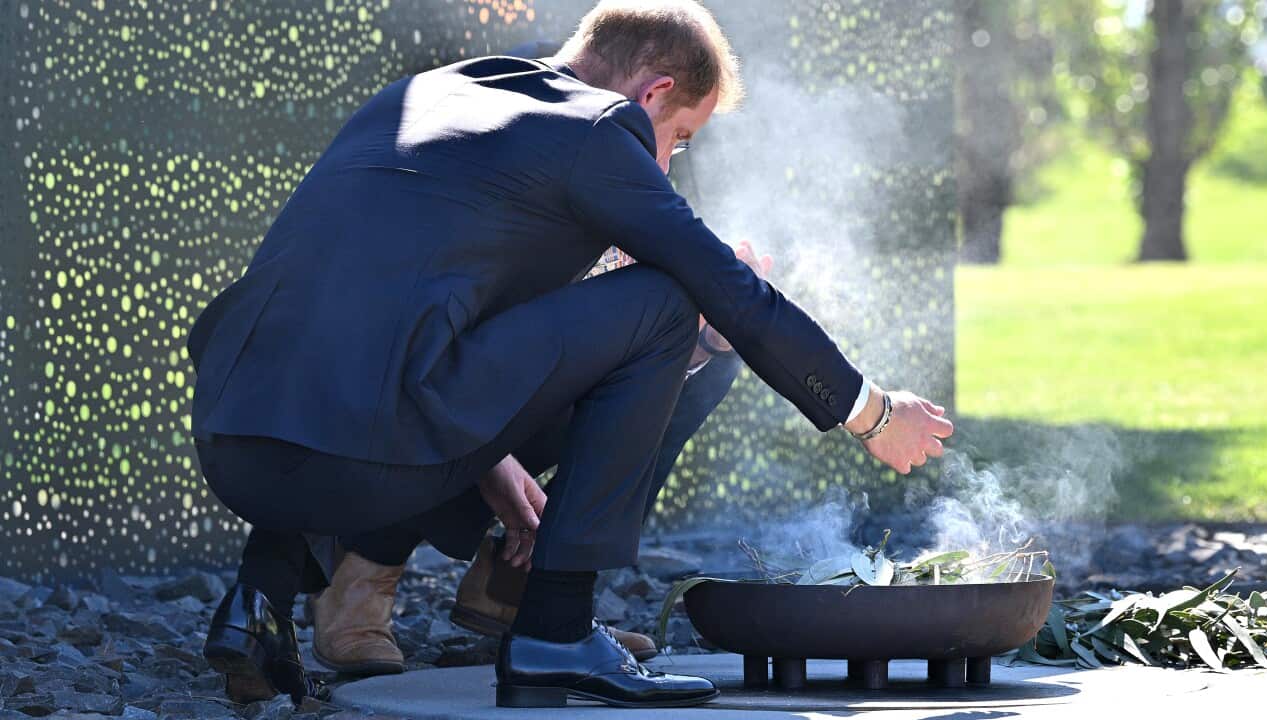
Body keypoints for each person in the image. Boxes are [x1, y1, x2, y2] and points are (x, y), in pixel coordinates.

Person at [189, 0, 953, 709]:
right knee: (672, 301)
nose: (667, 163)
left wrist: (492, 453)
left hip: (233, 442)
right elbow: (727, 288)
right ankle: (555, 627)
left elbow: (379, 303)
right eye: (681, 138)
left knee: (337, 339)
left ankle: (257, 604)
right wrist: (873, 412)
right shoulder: (598, 128)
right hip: (362, 460)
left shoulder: (427, 94)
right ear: (654, 92)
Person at [305, 242, 761, 675]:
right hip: (411, 365)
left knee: (697, 356)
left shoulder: (644, 215)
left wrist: (703, 340)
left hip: (524, 376)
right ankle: (364, 571)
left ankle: (523, 584)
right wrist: (485, 450)